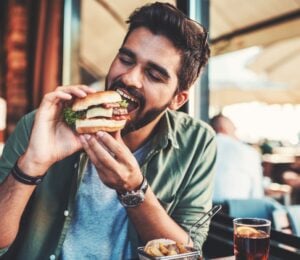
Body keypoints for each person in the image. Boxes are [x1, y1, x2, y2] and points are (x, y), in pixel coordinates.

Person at [0, 2, 216, 259]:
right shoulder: (42, 125)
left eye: (154, 75)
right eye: (126, 59)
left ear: (177, 99)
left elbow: (190, 255)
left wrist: (133, 189)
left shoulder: (197, 142)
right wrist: (32, 164)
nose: (130, 78)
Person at [210, 114, 264, 202]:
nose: (236, 131)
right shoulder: (248, 151)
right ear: (225, 128)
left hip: (205, 210)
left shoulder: (199, 148)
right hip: (236, 208)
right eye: (234, 128)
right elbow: (256, 193)